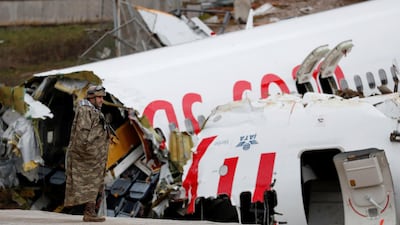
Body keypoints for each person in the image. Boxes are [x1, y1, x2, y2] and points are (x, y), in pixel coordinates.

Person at [64, 85, 109, 222]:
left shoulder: (93, 110)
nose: (102, 100)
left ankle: (90, 212)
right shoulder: (85, 110)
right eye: (99, 97)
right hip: (88, 157)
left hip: (95, 158)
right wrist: (90, 152)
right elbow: (83, 134)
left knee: (94, 184)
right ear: (91, 98)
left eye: (102, 97)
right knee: (88, 183)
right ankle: (89, 212)